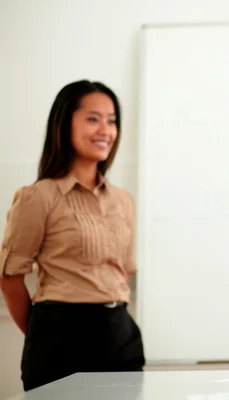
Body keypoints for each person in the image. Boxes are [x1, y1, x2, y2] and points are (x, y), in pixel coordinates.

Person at [0, 80, 145, 391]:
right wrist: (46, 333)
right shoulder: (38, 197)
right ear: (64, 124)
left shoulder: (123, 200)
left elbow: (122, 274)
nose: (105, 130)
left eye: (112, 120)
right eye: (93, 119)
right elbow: (11, 277)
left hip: (121, 336)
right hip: (62, 339)